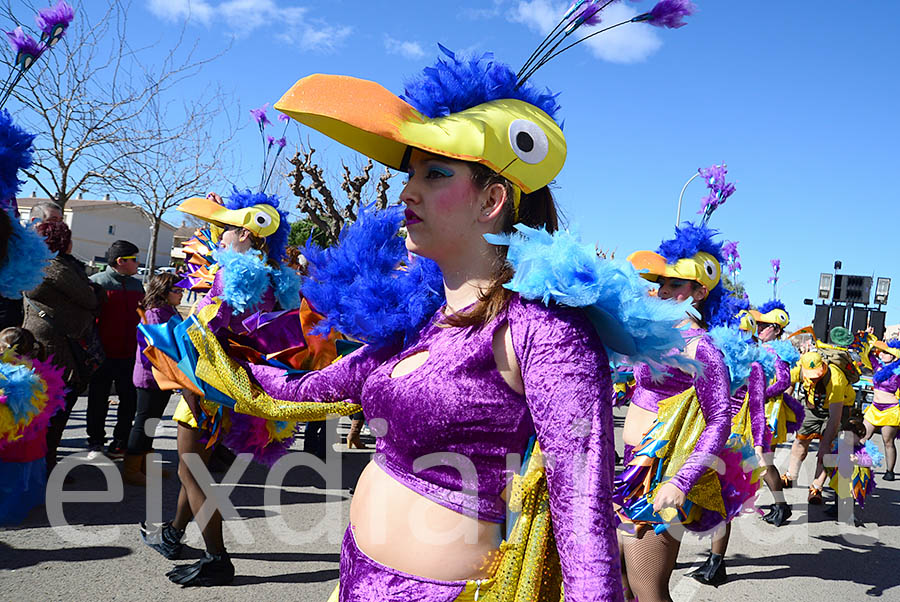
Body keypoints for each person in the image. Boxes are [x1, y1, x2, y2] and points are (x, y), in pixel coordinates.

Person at [616, 218, 744, 601]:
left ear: (700, 292)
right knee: (621, 582)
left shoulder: (699, 346)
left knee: (647, 589)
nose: (661, 292)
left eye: (674, 284)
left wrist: (680, 481)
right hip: (630, 466)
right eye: (659, 284)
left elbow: (719, 419)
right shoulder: (652, 336)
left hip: (661, 474)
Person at [21, 220, 102, 473]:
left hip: (34, 343)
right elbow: (90, 298)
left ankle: (34, 466)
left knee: (35, 412)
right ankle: (45, 467)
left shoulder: (31, 265)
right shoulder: (55, 268)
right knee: (55, 411)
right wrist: (94, 291)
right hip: (57, 349)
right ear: (62, 242)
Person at [122, 272, 182, 486]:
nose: (181, 294)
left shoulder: (169, 310)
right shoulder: (155, 313)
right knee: (143, 421)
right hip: (151, 376)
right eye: (177, 290)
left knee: (152, 421)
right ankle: (131, 468)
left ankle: (144, 464)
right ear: (164, 292)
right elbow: (156, 347)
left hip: (164, 376)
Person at [86, 240, 144, 458]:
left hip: (130, 354)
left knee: (129, 399)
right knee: (97, 399)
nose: (138, 263)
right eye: (134, 259)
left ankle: (121, 441)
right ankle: (95, 441)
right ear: (121, 262)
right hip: (102, 355)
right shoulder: (96, 283)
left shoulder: (137, 286)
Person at [751, 300, 803, 527]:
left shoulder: (777, 352)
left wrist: (760, 393)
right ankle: (778, 504)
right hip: (754, 410)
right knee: (759, 459)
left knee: (762, 459)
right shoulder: (758, 348)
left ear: (778, 329)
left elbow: (783, 381)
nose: (761, 328)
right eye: (759, 324)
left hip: (766, 412)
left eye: (766, 325)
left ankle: (781, 505)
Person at [783, 350, 856, 504]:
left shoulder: (836, 379)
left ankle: (816, 488)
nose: (813, 379)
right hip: (813, 407)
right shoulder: (799, 369)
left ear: (823, 367)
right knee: (800, 440)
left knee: (827, 448)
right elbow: (786, 382)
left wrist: (823, 445)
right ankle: (791, 475)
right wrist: (786, 403)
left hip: (839, 409)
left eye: (817, 375)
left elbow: (835, 417)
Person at [859, 335, 900, 481]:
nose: (881, 354)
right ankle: (860, 465)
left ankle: (890, 471)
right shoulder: (878, 367)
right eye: (881, 352)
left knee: (888, 442)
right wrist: (867, 337)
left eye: (886, 352)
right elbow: (867, 354)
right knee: (862, 436)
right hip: (874, 408)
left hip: (890, 411)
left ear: (895, 357)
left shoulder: (898, 372)